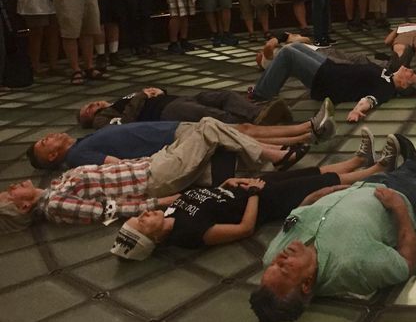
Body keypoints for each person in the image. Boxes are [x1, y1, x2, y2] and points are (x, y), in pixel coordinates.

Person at [249, 134, 416, 322]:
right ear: (307, 283)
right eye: (284, 267)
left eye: (274, 265)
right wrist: (399, 209)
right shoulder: (353, 267)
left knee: (400, 172)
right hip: (409, 199)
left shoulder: (272, 257)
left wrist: (313, 197)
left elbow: (293, 219)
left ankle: (415, 162)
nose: (280, 256)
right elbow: (406, 264)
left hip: (364, 186)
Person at [109, 136, 398, 259]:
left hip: (246, 186)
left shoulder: (170, 214)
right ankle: (379, 167)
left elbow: (198, 195)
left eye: (141, 216)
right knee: (320, 182)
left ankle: (358, 160)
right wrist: (255, 194)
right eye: (143, 222)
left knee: (312, 170)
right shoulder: (189, 234)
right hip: (264, 199)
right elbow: (244, 229)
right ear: (153, 239)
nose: (146, 215)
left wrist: (230, 182)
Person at [1, 117, 313, 230]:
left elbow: (113, 169)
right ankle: (278, 157)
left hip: (151, 164)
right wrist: (165, 201)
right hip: (153, 179)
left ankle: (282, 161)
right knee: (208, 127)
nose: (12, 185)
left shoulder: (56, 185)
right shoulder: (54, 204)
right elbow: (108, 211)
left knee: (220, 153)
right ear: (24, 207)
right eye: (10, 193)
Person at [26, 110, 334, 171]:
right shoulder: (78, 156)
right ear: (52, 157)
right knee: (241, 130)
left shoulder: (83, 142)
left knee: (243, 128)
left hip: (171, 130)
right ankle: (306, 131)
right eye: (45, 142)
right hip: (171, 140)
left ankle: (306, 132)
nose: (50, 136)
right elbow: (117, 167)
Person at [250, 42, 416, 122]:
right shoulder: (387, 74)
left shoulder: (386, 89)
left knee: (288, 53)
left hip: (327, 80)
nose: (411, 70)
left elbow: (370, 100)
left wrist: (357, 111)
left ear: (403, 85)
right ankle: (266, 86)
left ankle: (261, 95)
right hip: (330, 67)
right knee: (295, 46)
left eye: (411, 76)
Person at [77, 87, 296, 129]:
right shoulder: (103, 119)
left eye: (90, 103)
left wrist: (156, 89)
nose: (92, 105)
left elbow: (153, 92)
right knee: (213, 115)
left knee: (224, 95)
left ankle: (259, 115)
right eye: (88, 109)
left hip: (178, 99)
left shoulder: (118, 100)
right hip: (165, 113)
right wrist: (142, 95)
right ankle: (262, 127)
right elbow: (126, 124)